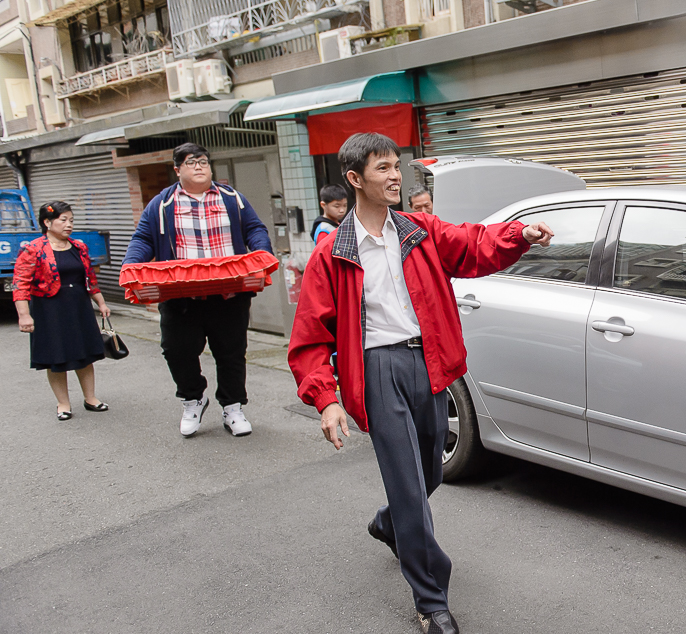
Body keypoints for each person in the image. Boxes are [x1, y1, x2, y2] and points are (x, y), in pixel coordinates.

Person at [288, 133, 553, 634]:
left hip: (429, 365)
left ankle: (390, 524)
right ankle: (432, 600)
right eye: (383, 168)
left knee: (430, 471)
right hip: (377, 371)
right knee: (409, 485)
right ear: (354, 178)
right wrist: (326, 399)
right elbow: (308, 338)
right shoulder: (333, 255)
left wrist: (519, 234)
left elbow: (475, 244)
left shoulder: (419, 230)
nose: (394, 177)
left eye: (397, 167)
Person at [122, 142, 272, 438]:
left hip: (228, 294)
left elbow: (255, 228)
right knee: (176, 351)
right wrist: (131, 264)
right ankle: (193, 399)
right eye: (191, 162)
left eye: (203, 161)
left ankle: (232, 407)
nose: (200, 166)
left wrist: (261, 253)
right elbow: (143, 238)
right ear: (177, 170)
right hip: (181, 297)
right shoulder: (162, 204)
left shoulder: (232, 198)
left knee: (231, 353)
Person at [13, 201, 112, 421]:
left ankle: (91, 399)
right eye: (63, 220)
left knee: (84, 355)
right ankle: (63, 404)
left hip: (78, 306)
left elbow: (90, 279)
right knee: (56, 357)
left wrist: (101, 302)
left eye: (71, 220)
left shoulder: (79, 247)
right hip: (49, 309)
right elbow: (19, 283)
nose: (69, 225)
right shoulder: (33, 249)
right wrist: (24, 315)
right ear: (47, 222)